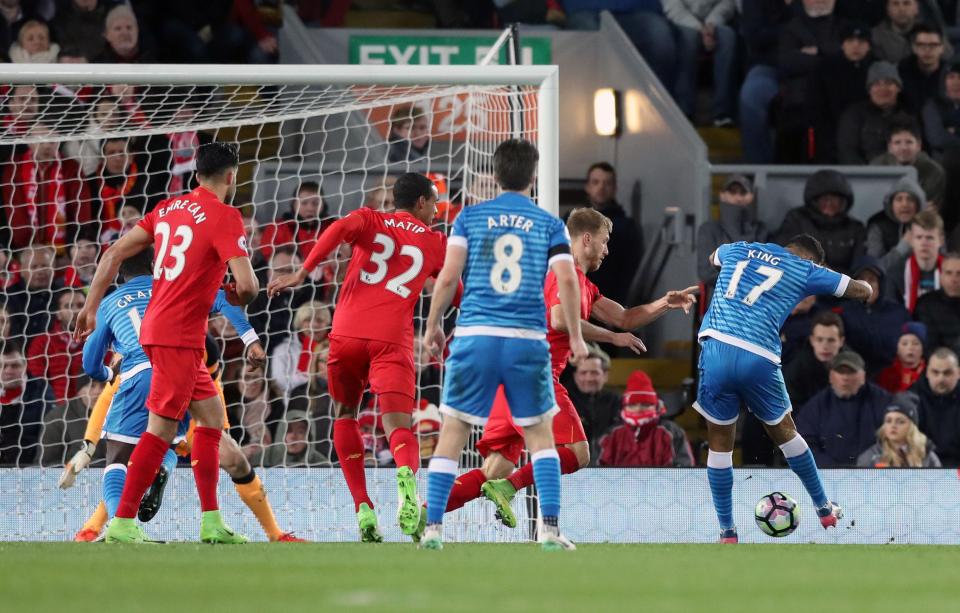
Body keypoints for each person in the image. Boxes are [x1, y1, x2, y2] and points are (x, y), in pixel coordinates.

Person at [429, 208, 695, 530]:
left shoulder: (584, 286)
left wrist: (664, 303)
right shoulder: (561, 271)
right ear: (587, 239)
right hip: (533, 375)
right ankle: (512, 491)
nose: (607, 250)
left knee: (493, 469)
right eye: (604, 241)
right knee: (578, 452)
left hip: (508, 379)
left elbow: (624, 317)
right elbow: (558, 319)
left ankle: (425, 512)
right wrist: (612, 337)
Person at [74, 141, 259, 544]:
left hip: (172, 333)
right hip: (176, 336)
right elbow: (246, 286)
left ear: (195, 175)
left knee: (210, 422)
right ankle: (123, 522)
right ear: (232, 176)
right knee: (159, 431)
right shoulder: (226, 216)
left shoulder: (166, 209)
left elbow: (112, 254)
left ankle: (212, 523)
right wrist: (239, 294)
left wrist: (91, 308)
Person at [267, 172, 454, 543]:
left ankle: (363, 507)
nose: (436, 210)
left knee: (345, 415)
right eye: (433, 202)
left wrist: (302, 272)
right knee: (399, 425)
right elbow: (454, 288)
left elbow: (337, 229)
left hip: (346, 335)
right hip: (391, 340)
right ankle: (407, 484)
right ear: (420, 203)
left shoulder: (370, 219)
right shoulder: (436, 243)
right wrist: (441, 323)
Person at [420, 139, 588, 551]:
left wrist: (432, 327)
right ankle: (549, 529)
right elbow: (567, 279)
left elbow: (447, 278)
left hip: (474, 336)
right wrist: (579, 337)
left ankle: (432, 530)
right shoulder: (550, 223)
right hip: (525, 341)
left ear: (493, 175)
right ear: (533, 177)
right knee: (540, 438)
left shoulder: (470, 218)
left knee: (454, 433)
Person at [696, 234, 872, 542]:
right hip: (758, 355)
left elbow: (713, 257)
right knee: (786, 434)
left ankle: (727, 532)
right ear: (810, 260)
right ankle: (824, 508)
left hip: (716, 348)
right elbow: (858, 289)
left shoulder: (739, 248)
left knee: (720, 443)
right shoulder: (803, 268)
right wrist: (867, 288)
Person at [775, 0, 843, 162]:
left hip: (834, 103)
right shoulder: (791, 28)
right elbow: (787, 62)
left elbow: (843, 59)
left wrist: (817, 51)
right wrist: (826, 57)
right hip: (797, 104)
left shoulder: (843, 25)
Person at [773, 169, 865, 274]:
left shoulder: (855, 228)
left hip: (843, 285)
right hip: (803, 281)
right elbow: (782, 254)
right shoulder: (796, 219)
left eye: (835, 200)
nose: (829, 204)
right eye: (825, 199)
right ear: (814, 201)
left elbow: (860, 267)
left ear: (844, 203)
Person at [577, 162, 643, 305]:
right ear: (587, 187)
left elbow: (630, 272)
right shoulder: (572, 222)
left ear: (614, 189)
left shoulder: (627, 227)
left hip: (611, 302)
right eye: (596, 182)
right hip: (577, 299)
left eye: (607, 183)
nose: (601, 187)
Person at [663, 0, 737, 125]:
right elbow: (672, 6)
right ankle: (685, 111)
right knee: (689, 39)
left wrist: (711, 24)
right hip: (682, 23)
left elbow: (728, 2)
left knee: (728, 37)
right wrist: (700, 29)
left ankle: (722, 113)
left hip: (714, 22)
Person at [598, 370, 695, 467]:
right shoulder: (611, 435)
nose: (639, 409)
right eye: (632, 405)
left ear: (655, 406)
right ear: (624, 407)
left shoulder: (673, 432)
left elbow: (685, 468)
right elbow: (595, 471)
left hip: (662, 482)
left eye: (645, 404)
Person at [738, 0, 795, 163]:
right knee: (751, 94)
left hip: (807, 65)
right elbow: (755, 37)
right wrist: (793, 31)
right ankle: (759, 170)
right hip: (769, 66)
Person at [812, 22, 874, 163]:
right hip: (831, 133)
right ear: (842, 44)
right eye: (850, 41)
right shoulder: (825, 68)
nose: (856, 46)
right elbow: (816, 106)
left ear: (869, 46)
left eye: (861, 42)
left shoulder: (876, 68)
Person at [838, 256, 911, 373]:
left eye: (871, 279)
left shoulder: (899, 313)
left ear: (880, 284)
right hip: (855, 373)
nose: (866, 285)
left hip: (893, 376)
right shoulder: (843, 313)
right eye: (861, 280)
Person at [696, 174, 767, 294]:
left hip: (754, 303)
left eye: (743, 192)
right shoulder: (709, 230)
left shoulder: (761, 230)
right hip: (720, 303)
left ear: (752, 196)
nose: (738, 197)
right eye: (733, 192)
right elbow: (706, 272)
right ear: (722, 195)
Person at [837, 61, 913, 164]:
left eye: (888, 83)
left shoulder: (908, 114)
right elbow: (848, 151)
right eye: (876, 84)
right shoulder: (854, 115)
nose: (882, 88)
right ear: (869, 90)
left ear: (898, 88)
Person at [870, 116, 946, 208]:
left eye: (909, 142)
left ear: (918, 145)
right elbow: (873, 204)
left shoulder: (934, 171)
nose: (904, 148)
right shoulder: (876, 167)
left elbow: (929, 210)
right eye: (897, 142)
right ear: (890, 147)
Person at [26, 288, 85, 404]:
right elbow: (37, 380)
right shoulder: (42, 343)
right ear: (58, 314)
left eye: (80, 305)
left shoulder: (101, 341)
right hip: (53, 409)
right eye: (68, 306)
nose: (75, 311)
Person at [0, 342, 54, 466]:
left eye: (14, 366)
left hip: (29, 466)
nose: (8, 371)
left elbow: (48, 436)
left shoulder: (41, 391)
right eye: (2, 365)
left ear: (25, 366)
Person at [884, 208, 945, 312]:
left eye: (930, 238)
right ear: (911, 240)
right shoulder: (895, 272)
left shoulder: (954, 272)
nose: (924, 243)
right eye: (919, 237)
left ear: (941, 241)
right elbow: (891, 315)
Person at [565, 351, 622, 460]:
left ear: (605, 376)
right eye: (583, 373)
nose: (589, 378)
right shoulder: (564, 400)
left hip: (609, 465)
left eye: (594, 373)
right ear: (575, 376)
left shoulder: (616, 401)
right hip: (574, 464)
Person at [784, 311, 848, 410]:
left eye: (831, 340)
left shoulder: (853, 366)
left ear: (841, 342)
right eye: (819, 339)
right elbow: (791, 410)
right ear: (812, 340)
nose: (825, 346)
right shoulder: (796, 370)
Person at [857, 393, 941, 466]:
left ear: (912, 427)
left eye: (900, 422)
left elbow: (939, 482)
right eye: (888, 421)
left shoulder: (927, 456)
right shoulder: (870, 457)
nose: (893, 426)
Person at [260, 181, 333, 263]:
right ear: (294, 204)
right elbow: (271, 260)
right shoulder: (276, 228)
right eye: (304, 203)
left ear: (323, 205)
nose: (310, 208)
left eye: (315, 203)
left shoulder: (334, 228)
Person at [39, 376, 104, 466]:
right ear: (79, 391)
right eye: (92, 386)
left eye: (104, 386)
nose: (98, 391)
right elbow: (45, 463)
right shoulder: (58, 417)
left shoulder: (121, 415)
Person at [911, 347, 960, 466]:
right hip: (923, 468)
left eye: (947, 373)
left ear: (958, 373)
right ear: (927, 372)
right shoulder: (911, 399)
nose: (941, 378)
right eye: (935, 372)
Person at [1, 245, 61, 339]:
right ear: (21, 270)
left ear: (54, 268)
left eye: (44, 266)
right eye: (34, 267)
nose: (40, 271)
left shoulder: (63, 294)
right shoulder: (8, 297)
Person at [866, 177, 924, 261]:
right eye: (899, 199)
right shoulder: (878, 226)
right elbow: (873, 267)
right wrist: (902, 248)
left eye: (910, 199)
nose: (905, 204)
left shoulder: (928, 224)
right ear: (891, 205)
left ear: (918, 205)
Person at [914, 252, 960, 352]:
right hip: (939, 363)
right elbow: (928, 346)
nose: (954, 279)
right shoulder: (925, 304)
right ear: (941, 277)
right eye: (949, 273)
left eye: (959, 273)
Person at [898, 25, 949, 113]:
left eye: (933, 45)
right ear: (914, 48)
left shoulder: (951, 73)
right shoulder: (900, 71)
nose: (927, 50)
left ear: (942, 48)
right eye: (921, 45)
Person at [876, 322, 927, 392]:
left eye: (915, 343)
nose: (910, 348)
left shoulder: (930, 372)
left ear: (922, 349)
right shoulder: (887, 374)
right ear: (897, 349)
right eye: (904, 344)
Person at [922, 63, 960, 156]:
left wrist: (955, 130)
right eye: (951, 77)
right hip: (943, 164)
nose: (956, 82)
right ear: (943, 81)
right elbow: (938, 139)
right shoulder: (932, 106)